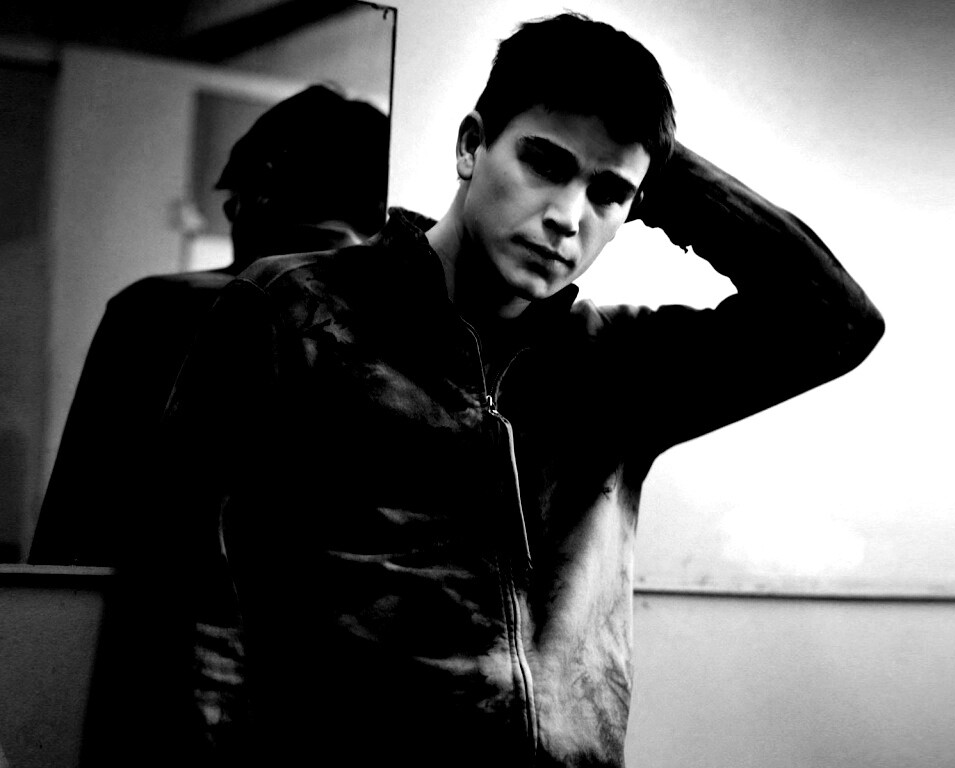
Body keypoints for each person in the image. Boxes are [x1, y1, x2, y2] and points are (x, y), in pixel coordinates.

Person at [158, 12, 884, 768]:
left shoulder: (616, 365)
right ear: (471, 146)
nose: (567, 219)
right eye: (545, 163)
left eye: (608, 194)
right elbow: (195, 612)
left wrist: (660, 167)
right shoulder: (294, 312)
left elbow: (834, 321)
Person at [29, 83, 389, 567]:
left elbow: (78, 509)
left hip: (174, 603)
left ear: (260, 195)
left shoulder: (157, 308)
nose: (228, 210)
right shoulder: (415, 322)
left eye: (234, 196)